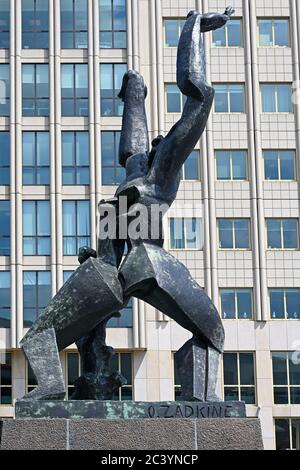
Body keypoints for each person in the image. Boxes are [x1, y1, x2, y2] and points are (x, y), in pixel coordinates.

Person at [20, 7, 235, 402]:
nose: (155, 144)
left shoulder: (149, 173)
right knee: (212, 333)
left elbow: (196, 95)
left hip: (109, 270)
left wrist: (192, 29)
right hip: (141, 264)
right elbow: (195, 97)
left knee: (39, 336)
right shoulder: (151, 174)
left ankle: (52, 385)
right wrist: (135, 94)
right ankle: (200, 399)